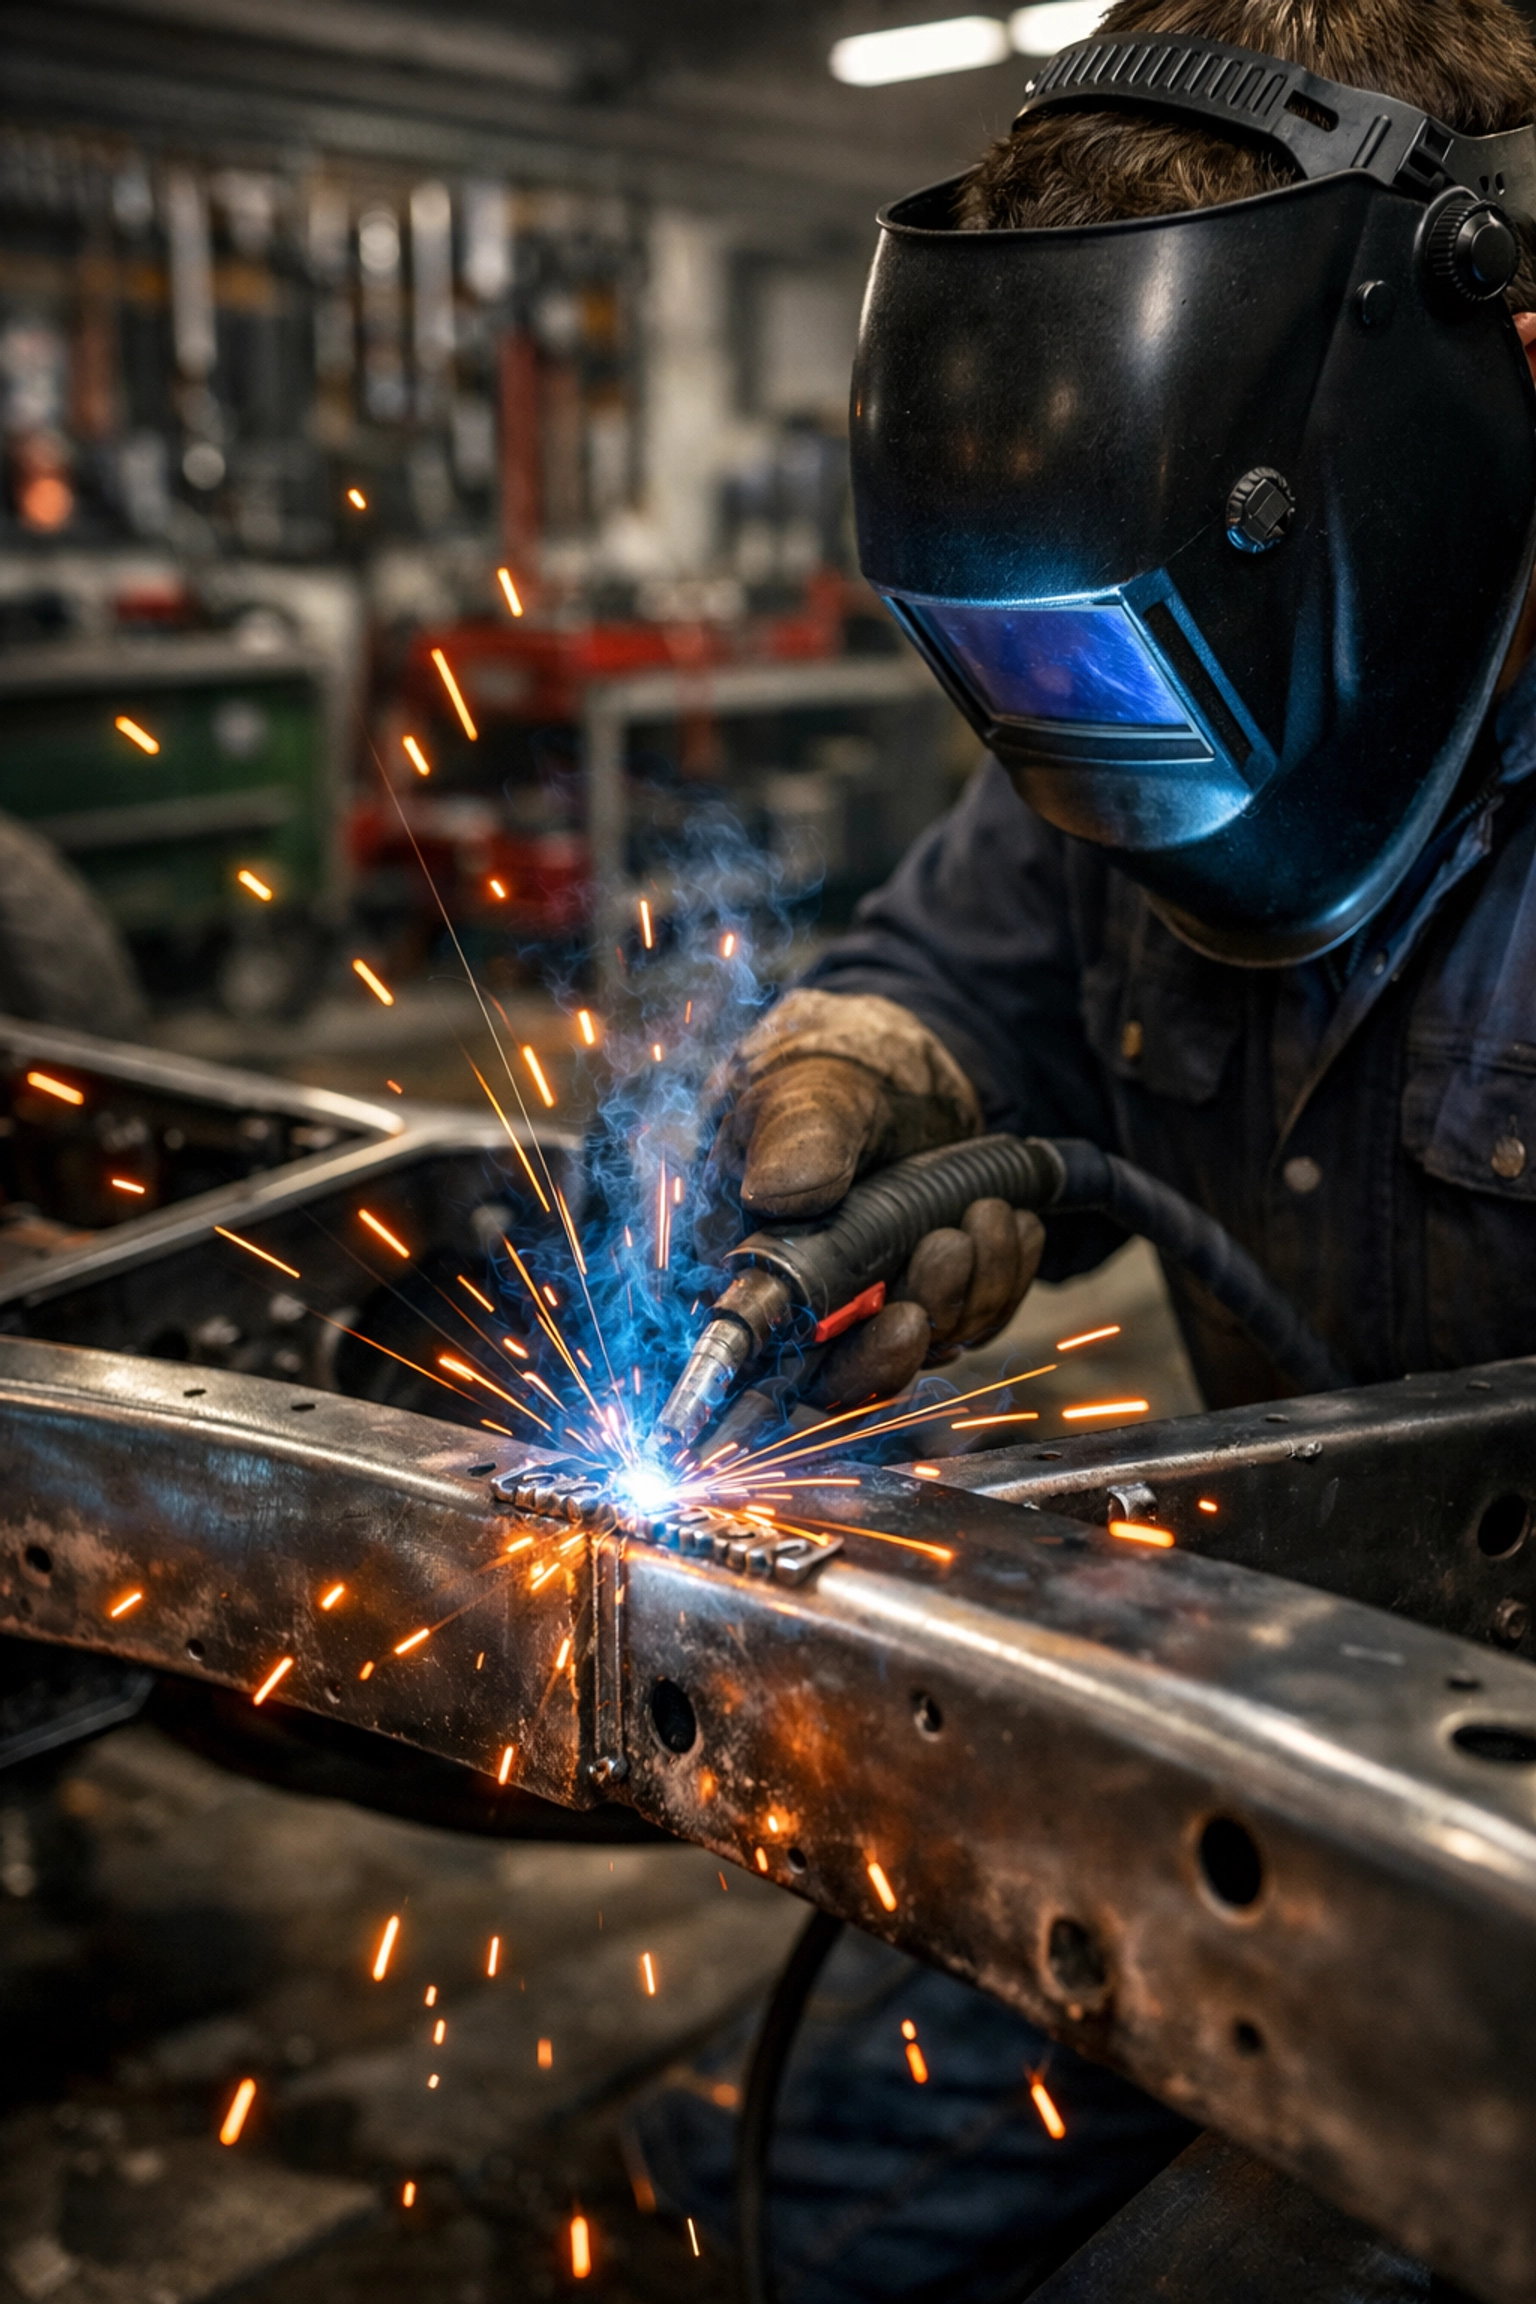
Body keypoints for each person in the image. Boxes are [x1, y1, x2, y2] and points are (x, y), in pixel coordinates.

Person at [634, 0, 1536, 2294]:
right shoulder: (1123, 696)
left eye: (1129, 662)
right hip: (1268, 1759)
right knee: (781, 2212)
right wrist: (873, 1066)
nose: (1104, 747)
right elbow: (970, 965)